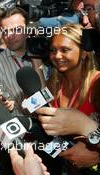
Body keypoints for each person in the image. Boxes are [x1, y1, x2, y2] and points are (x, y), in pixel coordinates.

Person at [37, 23, 100, 173]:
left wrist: (97, 155)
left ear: (84, 52)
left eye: (65, 50)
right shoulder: (54, 84)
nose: (57, 56)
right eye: (53, 50)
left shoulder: (97, 84)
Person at [0, 7, 44, 112]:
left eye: (17, 29)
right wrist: (0, 103)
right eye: (5, 32)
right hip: (27, 125)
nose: (10, 36)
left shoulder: (51, 53)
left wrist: (36, 60)